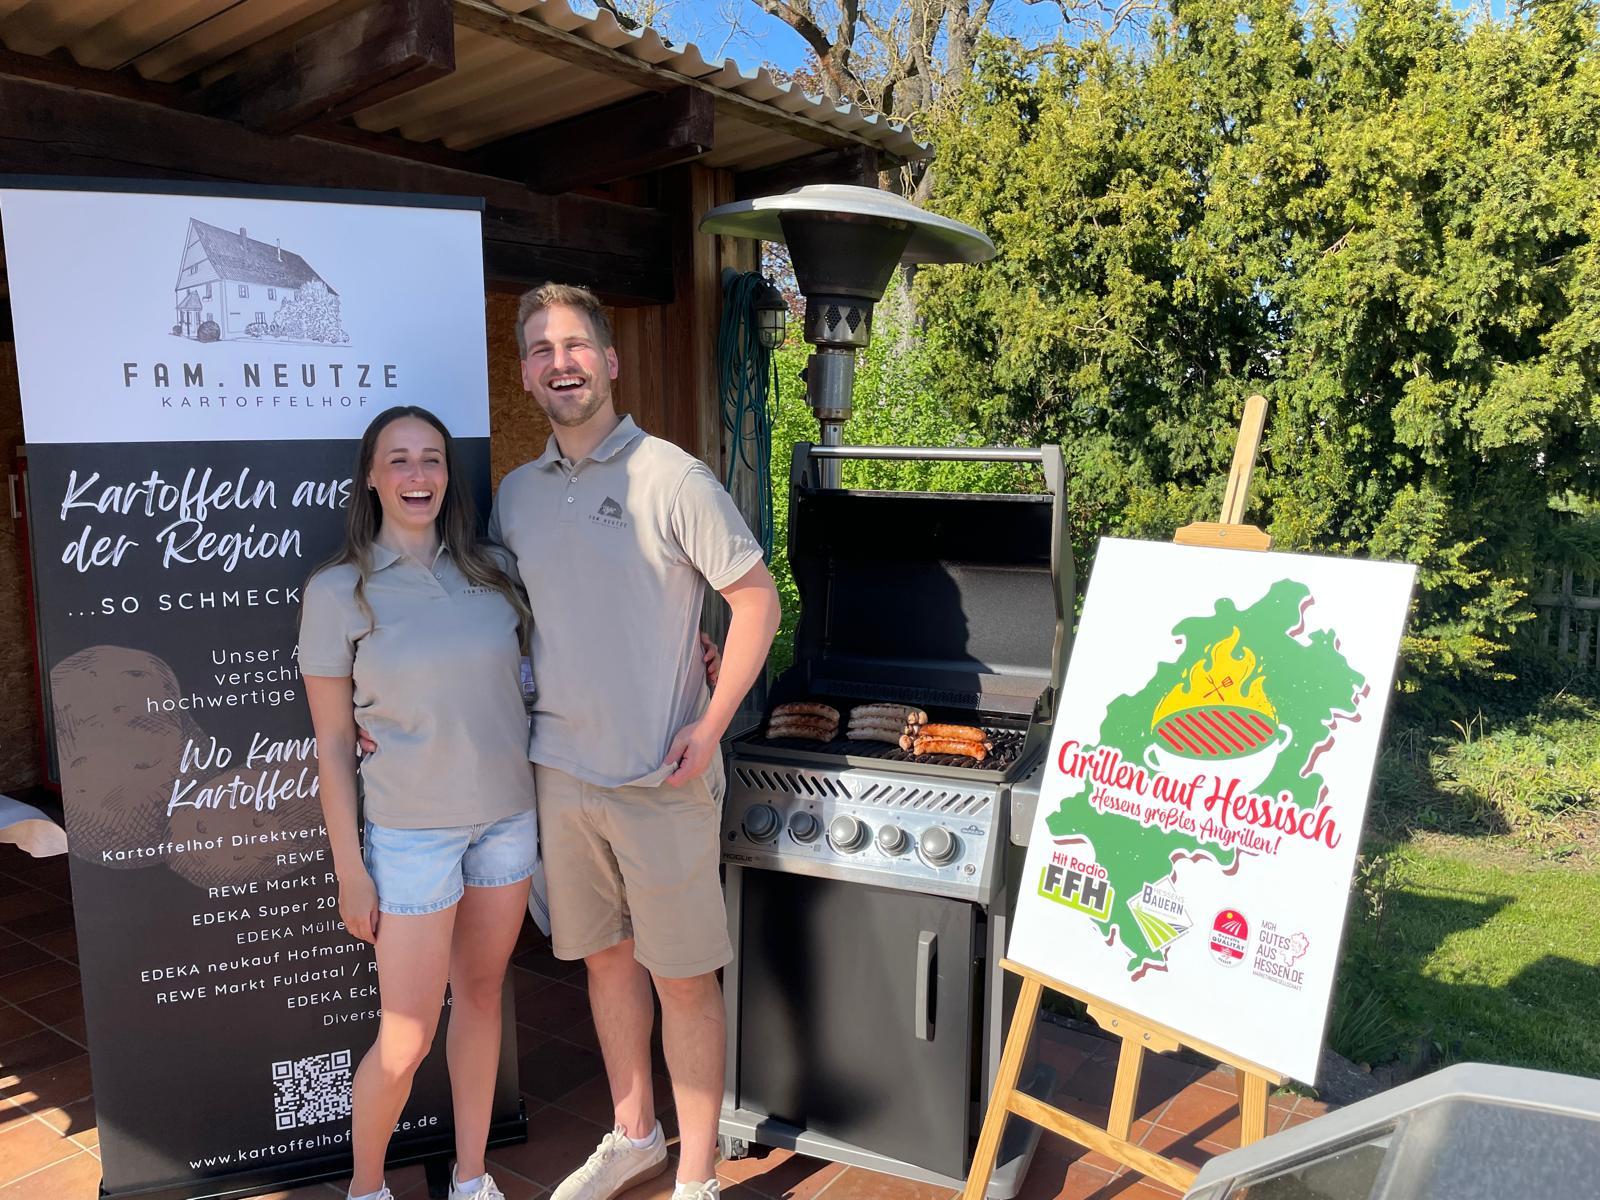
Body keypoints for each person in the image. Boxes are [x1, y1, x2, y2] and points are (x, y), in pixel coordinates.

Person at [299, 406, 722, 1200]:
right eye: (399, 460)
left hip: (505, 821)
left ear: (447, 475)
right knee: (407, 1035)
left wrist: (690, 649)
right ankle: (365, 1188)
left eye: (431, 458)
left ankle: (471, 1179)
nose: (418, 474)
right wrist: (350, 869)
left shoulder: (493, 570)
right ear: (372, 478)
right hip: (410, 835)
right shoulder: (338, 591)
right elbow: (331, 745)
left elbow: (582, 632)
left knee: (481, 998)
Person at [489, 283, 781, 1200]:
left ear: (610, 361)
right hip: (560, 773)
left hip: (662, 774)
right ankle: (635, 1135)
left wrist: (711, 719)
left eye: (576, 344)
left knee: (684, 978)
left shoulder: (673, 477)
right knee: (605, 961)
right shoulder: (515, 497)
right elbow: (507, 624)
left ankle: (695, 1178)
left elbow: (756, 600)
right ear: (525, 374)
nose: (561, 362)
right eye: (542, 349)